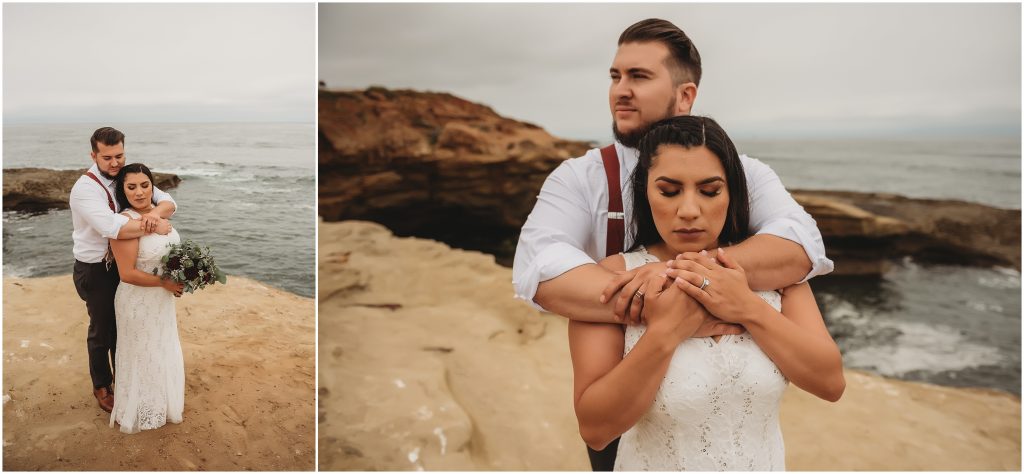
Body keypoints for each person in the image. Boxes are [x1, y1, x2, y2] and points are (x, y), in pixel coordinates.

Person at [511, 19, 834, 469]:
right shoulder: (578, 178)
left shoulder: (742, 170)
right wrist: (665, 305)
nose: (620, 90)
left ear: (685, 95)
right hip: (626, 406)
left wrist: (692, 278)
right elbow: (541, 271)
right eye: (615, 76)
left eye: (639, 77)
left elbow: (800, 247)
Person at [569, 115, 845, 470]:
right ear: (645, 192)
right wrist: (666, 333)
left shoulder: (772, 272)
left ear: (732, 193)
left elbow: (831, 383)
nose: (688, 210)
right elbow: (595, 429)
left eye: (710, 191)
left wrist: (748, 308)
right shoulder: (616, 278)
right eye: (668, 191)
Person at [69, 127, 176, 413]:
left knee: (124, 327)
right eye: (107, 157)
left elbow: (168, 201)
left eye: (119, 155)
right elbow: (112, 227)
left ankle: (126, 380)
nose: (114, 163)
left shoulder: (126, 177)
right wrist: (155, 225)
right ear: (94, 155)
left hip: (121, 264)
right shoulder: (85, 190)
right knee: (102, 330)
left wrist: (153, 215)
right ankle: (102, 385)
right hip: (95, 269)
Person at [107, 163, 186, 433]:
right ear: (122, 189)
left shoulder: (159, 212)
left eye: (145, 185)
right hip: (137, 300)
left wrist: (184, 273)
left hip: (161, 300)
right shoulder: (122, 223)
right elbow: (127, 273)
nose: (139, 192)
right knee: (142, 352)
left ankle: (161, 403)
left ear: (153, 187)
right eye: (131, 187)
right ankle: (139, 409)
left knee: (162, 347)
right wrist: (165, 282)